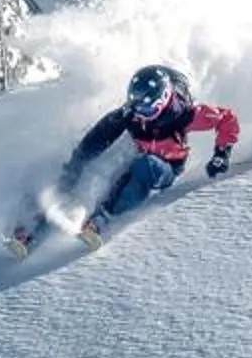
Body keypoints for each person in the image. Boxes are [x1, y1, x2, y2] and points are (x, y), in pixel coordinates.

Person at [34, 63, 239, 244]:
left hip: (166, 167)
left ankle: (103, 216)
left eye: (148, 111)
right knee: (103, 164)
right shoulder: (130, 114)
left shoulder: (184, 115)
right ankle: (40, 214)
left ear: (163, 102)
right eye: (138, 109)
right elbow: (97, 138)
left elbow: (226, 118)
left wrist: (222, 153)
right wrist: (75, 167)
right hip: (140, 151)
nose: (142, 116)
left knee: (144, 166)